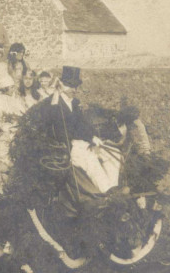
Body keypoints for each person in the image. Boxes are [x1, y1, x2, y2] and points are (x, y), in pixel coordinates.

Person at [43, 66, 123, 195]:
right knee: (90, 159)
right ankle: (106, 191)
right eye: (70, 86)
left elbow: (83, 125)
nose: (74, 90)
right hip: (69, 146)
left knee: (114, 152)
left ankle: (113, 187)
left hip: (84, 143)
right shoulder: (54, 103)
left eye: (75, 86)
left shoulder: (74, 103)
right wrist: (56, 91)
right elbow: (58, 125)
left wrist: (93, 137)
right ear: (62, 85)